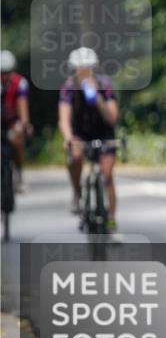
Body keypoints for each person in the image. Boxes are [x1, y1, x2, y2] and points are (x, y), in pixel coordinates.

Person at [58, 47, 119, 226]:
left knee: (107, 174)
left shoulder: (104, 85)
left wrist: (98, 98)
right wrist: (69, 138)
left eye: (88, 68)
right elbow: (64, 118)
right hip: (80, 133)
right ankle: (78, 192)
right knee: (74, 156)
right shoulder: (68, 88)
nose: (84, 72)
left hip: (104, 132)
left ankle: (111, 221)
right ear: (73, 69)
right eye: (80, 68)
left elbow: (113, 117)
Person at [1, 50, 32, 193]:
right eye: (1, 72)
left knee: (17, 139)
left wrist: (24, 124)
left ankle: (19, 172)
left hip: (13, 120)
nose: (4, 76)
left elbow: (22, 105)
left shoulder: (20, 83)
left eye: (7, 72)